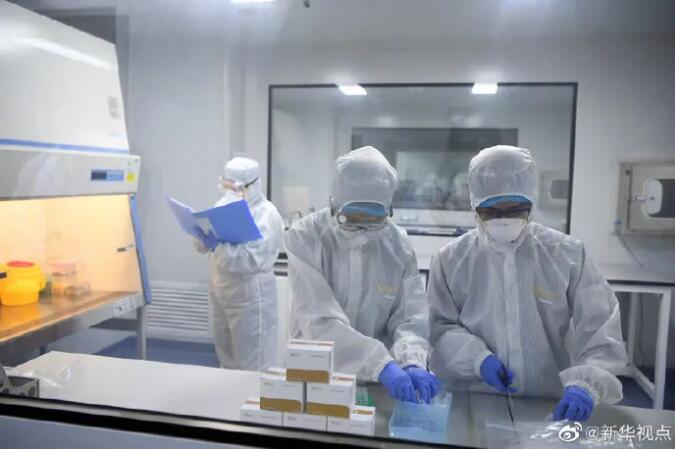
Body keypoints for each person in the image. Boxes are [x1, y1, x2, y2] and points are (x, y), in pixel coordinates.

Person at [428, 145, 627, 421]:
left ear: (532, 203)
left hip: (552, 404)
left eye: (516, 209)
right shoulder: (451, 259)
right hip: (475, 398)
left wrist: (586, 385)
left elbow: (601, 328)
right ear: (474, 206)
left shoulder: (566, 254)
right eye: (491, 211)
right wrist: (477, 359)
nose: (503, 220)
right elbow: (439, 327)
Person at [285, 146, 440, 404]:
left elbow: (410, 316)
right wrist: (381, 364)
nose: (363, 229)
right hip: (316, 373)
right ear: (333, 205)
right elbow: (319, 319)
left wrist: (411, 359)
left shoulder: (398, 245)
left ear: (388, 211)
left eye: (374, 218)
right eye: (353, 217)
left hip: (379, 383)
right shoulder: (305, 237)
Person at [193, 156, 284, 371]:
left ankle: (252, 393)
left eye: (237, 188)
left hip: (250, 296)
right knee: (225, 354)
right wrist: (201, 236)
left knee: (252, 361)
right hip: (221, 290)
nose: (231, 192)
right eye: (227, 186)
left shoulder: (266, 215)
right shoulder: (223, 205)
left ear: (255, 185)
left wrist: (218, 246)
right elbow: (204, 245)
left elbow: (251, 260)